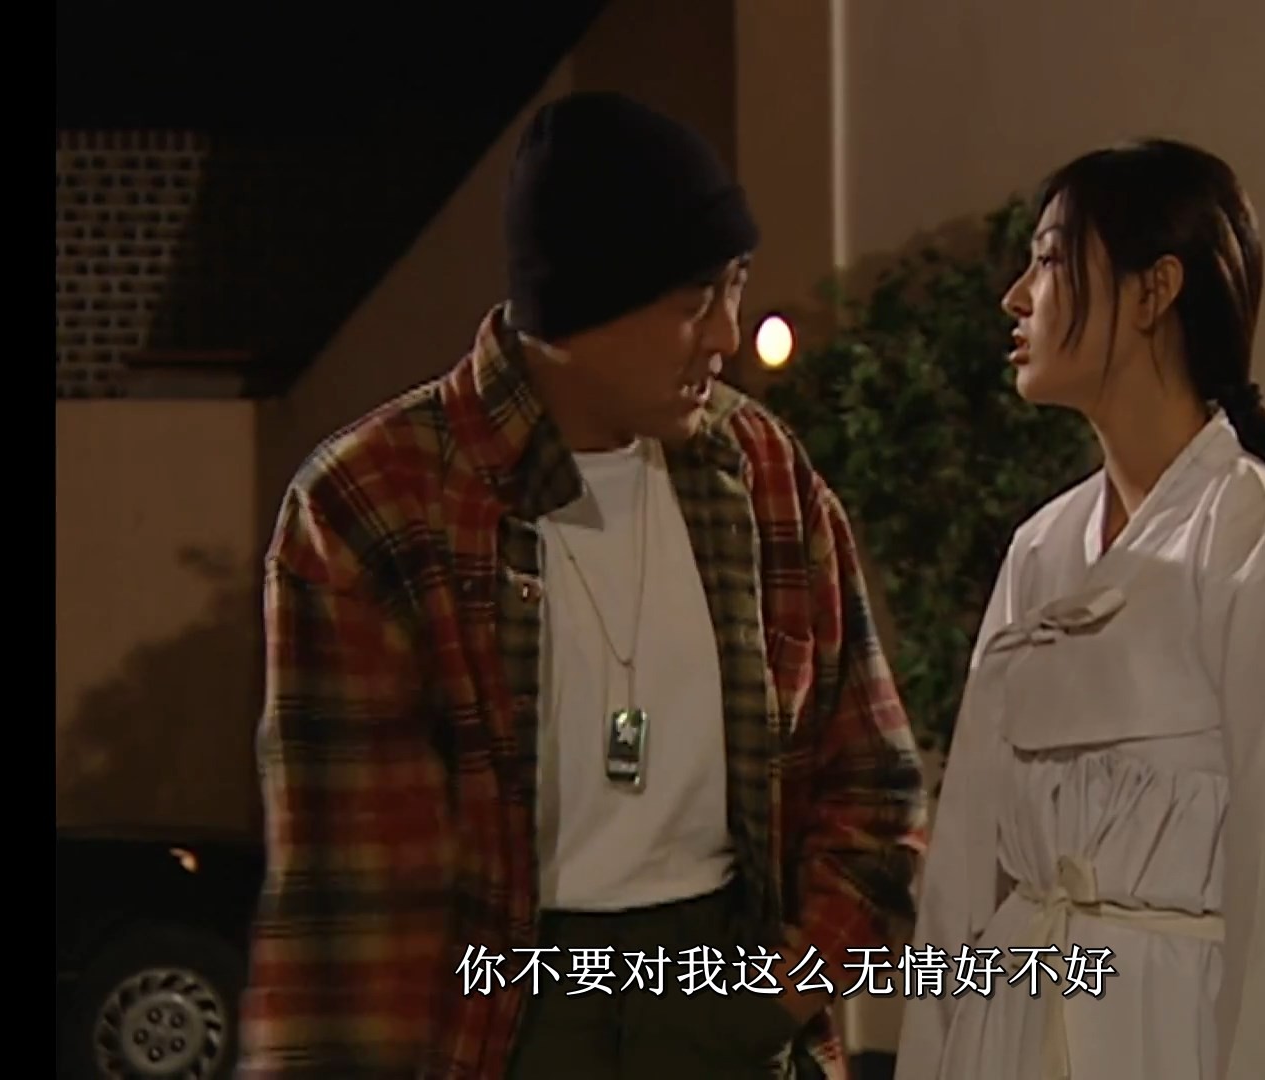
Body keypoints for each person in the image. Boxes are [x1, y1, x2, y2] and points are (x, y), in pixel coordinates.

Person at [238, 91, 928, 1079]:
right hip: (501, 1021)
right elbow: (354, 903)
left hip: (725, 993)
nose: (726, 336)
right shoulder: (374, 500)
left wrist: (780, 991)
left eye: (735, 289)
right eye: (693, 301)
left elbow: (873, 784)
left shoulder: (760, 472)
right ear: (578, 305)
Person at [894, 137, 1265, 1080]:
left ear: (1154, 290)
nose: (1016, 296)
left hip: (1174, 1032)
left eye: (1049, 260)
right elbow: (961, 874)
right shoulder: (1040, 550)